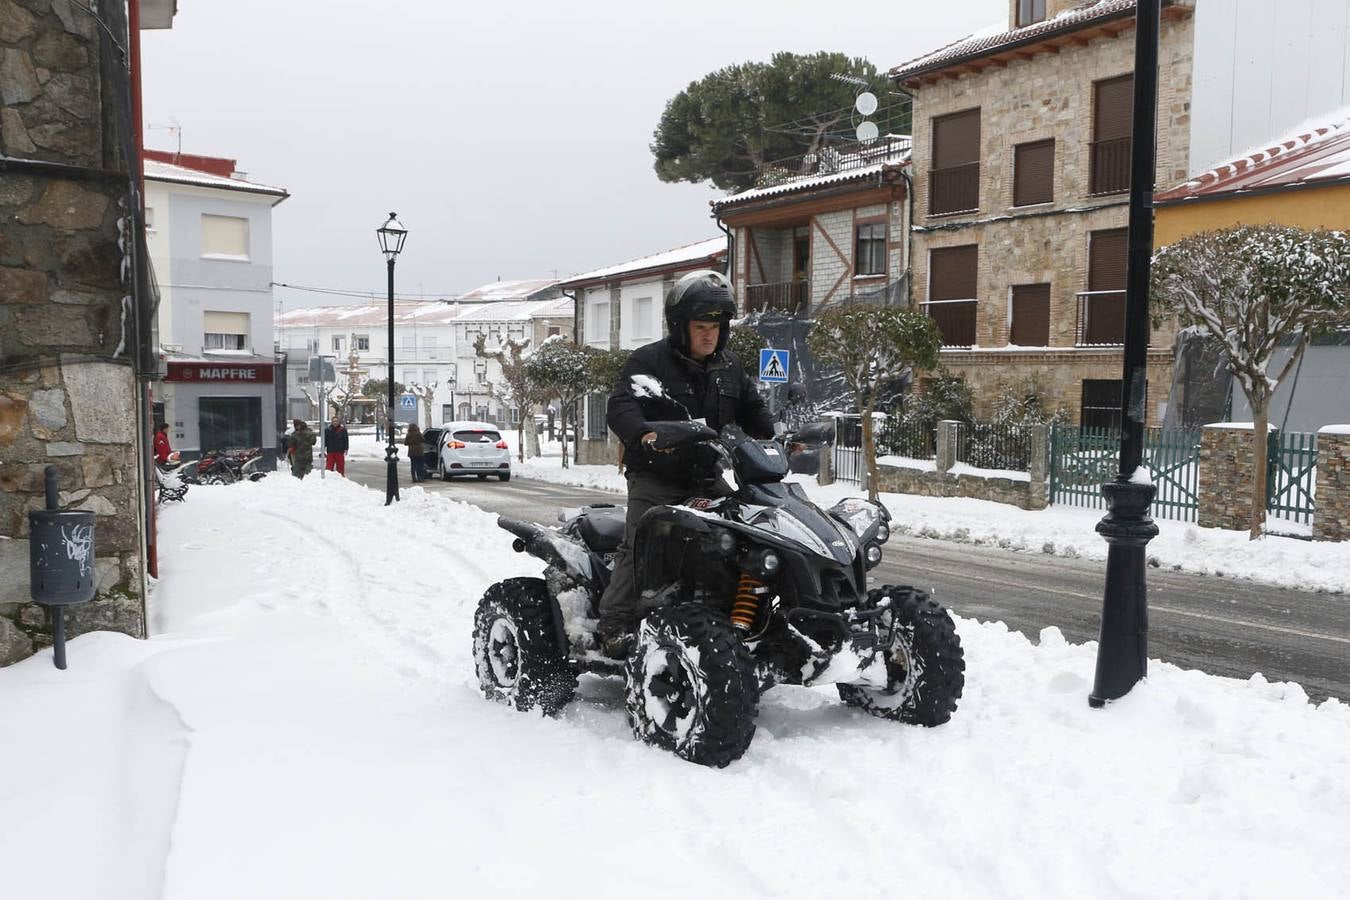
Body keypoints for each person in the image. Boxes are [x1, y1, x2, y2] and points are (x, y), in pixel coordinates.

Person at [597, 269, 775, 658]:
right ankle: (615, 622)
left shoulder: (729, 367)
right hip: (657, 476)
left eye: (717, 326)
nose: (709, 334)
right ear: (680, 326)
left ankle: (744, 616)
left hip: (709, 477)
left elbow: (753, 410)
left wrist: (774, 435)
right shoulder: (649, 362)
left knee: (750, 537)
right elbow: (621, 406)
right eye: (700, 326)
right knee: (641, 543)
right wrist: (642, 433)